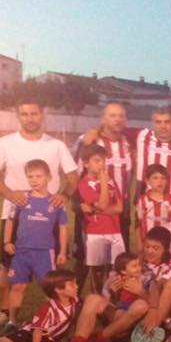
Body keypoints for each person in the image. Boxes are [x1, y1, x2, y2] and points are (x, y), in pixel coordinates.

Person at [0, 100, 78, 332]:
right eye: (24, 114)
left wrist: (64, 195)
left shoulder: (56, 145)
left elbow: (73, 176)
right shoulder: (5, 143)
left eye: (34, 113)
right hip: (15, 215)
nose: (30, 118)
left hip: (48, 216)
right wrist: (10, 194)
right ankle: (5, 314)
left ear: (42, 115)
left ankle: (58, 316)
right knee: (7, 266)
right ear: (18, 116)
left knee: (52, 271)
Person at [3, 159, 69, 328]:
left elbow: (63, 228)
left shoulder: (56, 202)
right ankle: (12, 321)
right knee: (17, 286)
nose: (34, 180)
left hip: (45, 252)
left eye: (38, 176)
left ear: (49, 177)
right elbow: (10, 220)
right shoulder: (22, 198)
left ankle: (54, 321)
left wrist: (62, 252)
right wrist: (7, 241)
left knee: (48, 288)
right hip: (22, 251)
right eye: (30, 177)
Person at [71, 102, 133, 258]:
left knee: (119, 258)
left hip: (119, 207)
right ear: (103, 119)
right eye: (112, 116)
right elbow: (75, 174)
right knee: (88, 258)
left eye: (121, 116)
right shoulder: (90, 140)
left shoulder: (128, 142)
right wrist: (78, 204)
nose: (117, 119)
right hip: (93, 206)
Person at [64, 252, 150, 342]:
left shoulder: (146, 278)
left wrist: (141, 291)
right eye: (134, 266)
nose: (139, 268)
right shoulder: (115, 278)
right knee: (92, 298)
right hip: (119, 313)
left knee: (140, 305)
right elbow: (109, 301)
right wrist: (113, 292)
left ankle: (98, 339)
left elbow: (156, 304)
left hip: (137, 318)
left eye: (139, 265)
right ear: (123, 270)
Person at [78, 144, 126, 295]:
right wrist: (104, 183)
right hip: (96, 232)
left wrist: (95, 209)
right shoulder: (85, 184)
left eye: (103, 161)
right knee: (97, 272)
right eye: (97, 161)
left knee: (117, 271)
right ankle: (98, 302)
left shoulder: (111, 181)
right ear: (86, 164)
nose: (102, 164)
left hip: (115, 230)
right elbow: (104, 203)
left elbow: (120, 208)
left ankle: (114, 302)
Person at [136, 163, 171, 246]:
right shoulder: (142, 200)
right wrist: (139, 244)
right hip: (147, 243)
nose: (159, 181)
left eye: (163, 178)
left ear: (167, 181)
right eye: (155, 178)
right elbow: (138, 224)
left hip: (165, 243)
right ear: (147, 181)